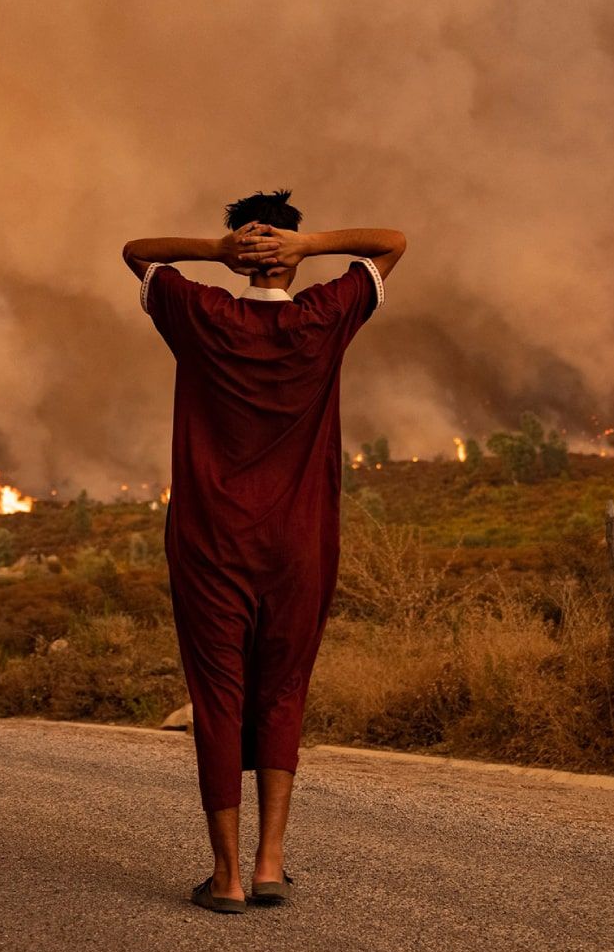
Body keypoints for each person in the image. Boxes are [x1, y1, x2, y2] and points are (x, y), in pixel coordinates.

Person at [122, 189, 406, 915]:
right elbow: (392, 242)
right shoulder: (326, 316)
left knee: (218, 699)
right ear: (288, 249)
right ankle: (272, 864)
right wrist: (311, 248)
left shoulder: (201, 314)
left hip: (211, 541)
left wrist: (215, 253)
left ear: (245, 253)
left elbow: (136, 254)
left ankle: (226, 879)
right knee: (283, 691)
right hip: (300, 544)